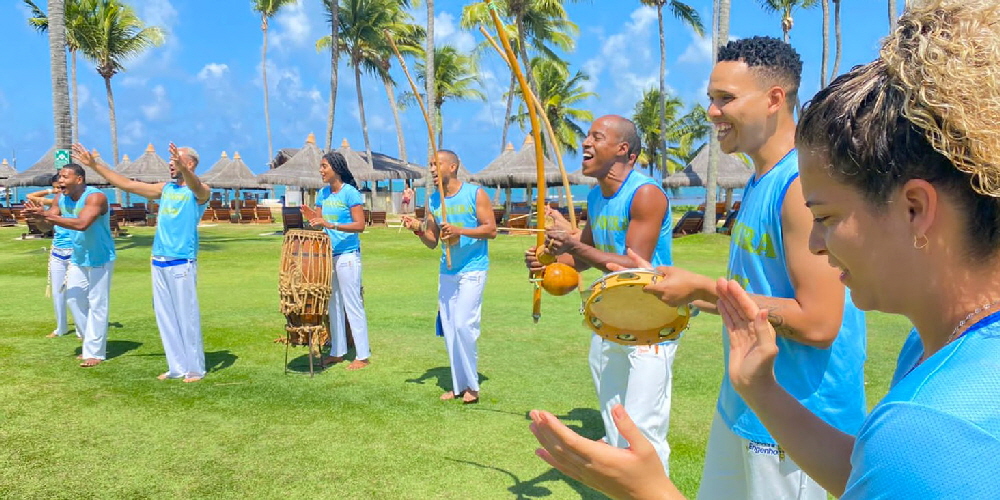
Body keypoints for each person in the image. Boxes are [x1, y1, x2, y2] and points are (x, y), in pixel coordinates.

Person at [530, 1, 1000, 498]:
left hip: (804, 411)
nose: (711, 111)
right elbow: (865, 467)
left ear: (774, 98)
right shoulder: (763, 182)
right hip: (758, 402)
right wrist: (700, 304)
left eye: (725, 98)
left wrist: (703, 287)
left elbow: (820, 322)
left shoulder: (798, 184)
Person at [524, 115, 678, 472]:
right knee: (614, 413)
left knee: (643, 426)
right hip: (610, 318)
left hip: (653, 323)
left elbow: (632, 264)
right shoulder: (596, 196)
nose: (586, 144)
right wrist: (547, 263)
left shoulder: (645, 194)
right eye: (587, 137)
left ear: (622, 149)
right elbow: (584, 257)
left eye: (597, 137)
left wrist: (573, 247)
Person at [73, 142, 210, 382]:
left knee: (186, 315)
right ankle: (176, 367)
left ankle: (195, 368)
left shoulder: (199, 192)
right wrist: (95, 165)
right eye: (171, 163)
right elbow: (127, 184)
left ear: (189, 164)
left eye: (175, 162)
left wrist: (184, 169)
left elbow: (197, 186)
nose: (171, 166)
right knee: (164, 315)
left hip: (182, 261)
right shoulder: (165, 189)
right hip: (159, 260)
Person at [401, 150, 496, 404]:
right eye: (430, 164)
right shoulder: (434, 200)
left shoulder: (475, 193)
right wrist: (418, 230)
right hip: (448, 272)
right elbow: (433, 242)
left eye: (437, 164)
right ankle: (458, 385)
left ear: (453, 166)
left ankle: (472, 387)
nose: (432, 169)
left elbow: (491, 230)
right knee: (452, 329)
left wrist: (459, 232)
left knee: (464, 325)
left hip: (473, 269)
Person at [24, 163, 115, 367]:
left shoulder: (95, 197)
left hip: (100, 257)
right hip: (79, 256)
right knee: (73, 299)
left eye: (65, 176)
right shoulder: (61, 198)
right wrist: (37, 218)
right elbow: (47, 225)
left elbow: (83, 224)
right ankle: (89, 341)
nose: (61, 180)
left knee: (97, 304)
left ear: (79, 179)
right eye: (60, 176)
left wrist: (46, 215)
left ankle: (95, 353)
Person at [305, 151, 371, 371]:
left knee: (352, 304)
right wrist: (311, 218)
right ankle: (337, 352)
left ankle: (363, 355)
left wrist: (332, 225)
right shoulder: (323, 194)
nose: (321, 170)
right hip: (327, 256)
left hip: (348, 255)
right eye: (320, 166)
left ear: (336, 167)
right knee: (332, 304)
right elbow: (318, 222)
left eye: (324, 166)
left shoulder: (350, 193)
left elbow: (360, 225)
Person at [28, 174, 76, 339]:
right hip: (58, 250)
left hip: (76, 250)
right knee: (57, 292)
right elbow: (44, 227)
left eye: (61, 186)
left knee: (76, 293)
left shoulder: (80, 200)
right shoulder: (56, 200)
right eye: (57, 187)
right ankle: (61, 327)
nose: (59, 190)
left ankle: (81, 328)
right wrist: (39, 216)